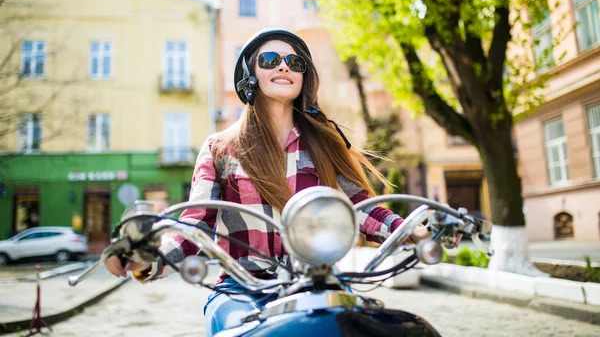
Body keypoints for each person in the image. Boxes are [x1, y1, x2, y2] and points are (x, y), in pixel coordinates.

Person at [107, 28, 428, 336]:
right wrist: (148, 256)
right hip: (242, 287)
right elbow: (195, 226)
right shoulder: (220, 147)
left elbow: (358, 208)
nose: (285, 66)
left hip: (317, 283)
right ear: (250, 75)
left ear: (305, 78)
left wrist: (412, 229)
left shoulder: (324, 145)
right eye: (271, 59)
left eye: (295, 62)